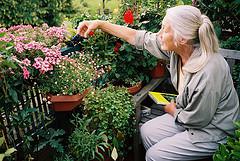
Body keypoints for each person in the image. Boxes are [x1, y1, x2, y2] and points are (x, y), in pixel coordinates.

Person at [77, 5, 240, 161]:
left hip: (213, 129)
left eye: (165, 29)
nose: (159, 34)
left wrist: (173, 111)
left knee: (154, 156)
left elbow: (199, 120)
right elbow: (137, 37)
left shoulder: (208, 71)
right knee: (147, 131)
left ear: (181, 38)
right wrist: (100, 24)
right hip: (188, 113)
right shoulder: (179, 49)